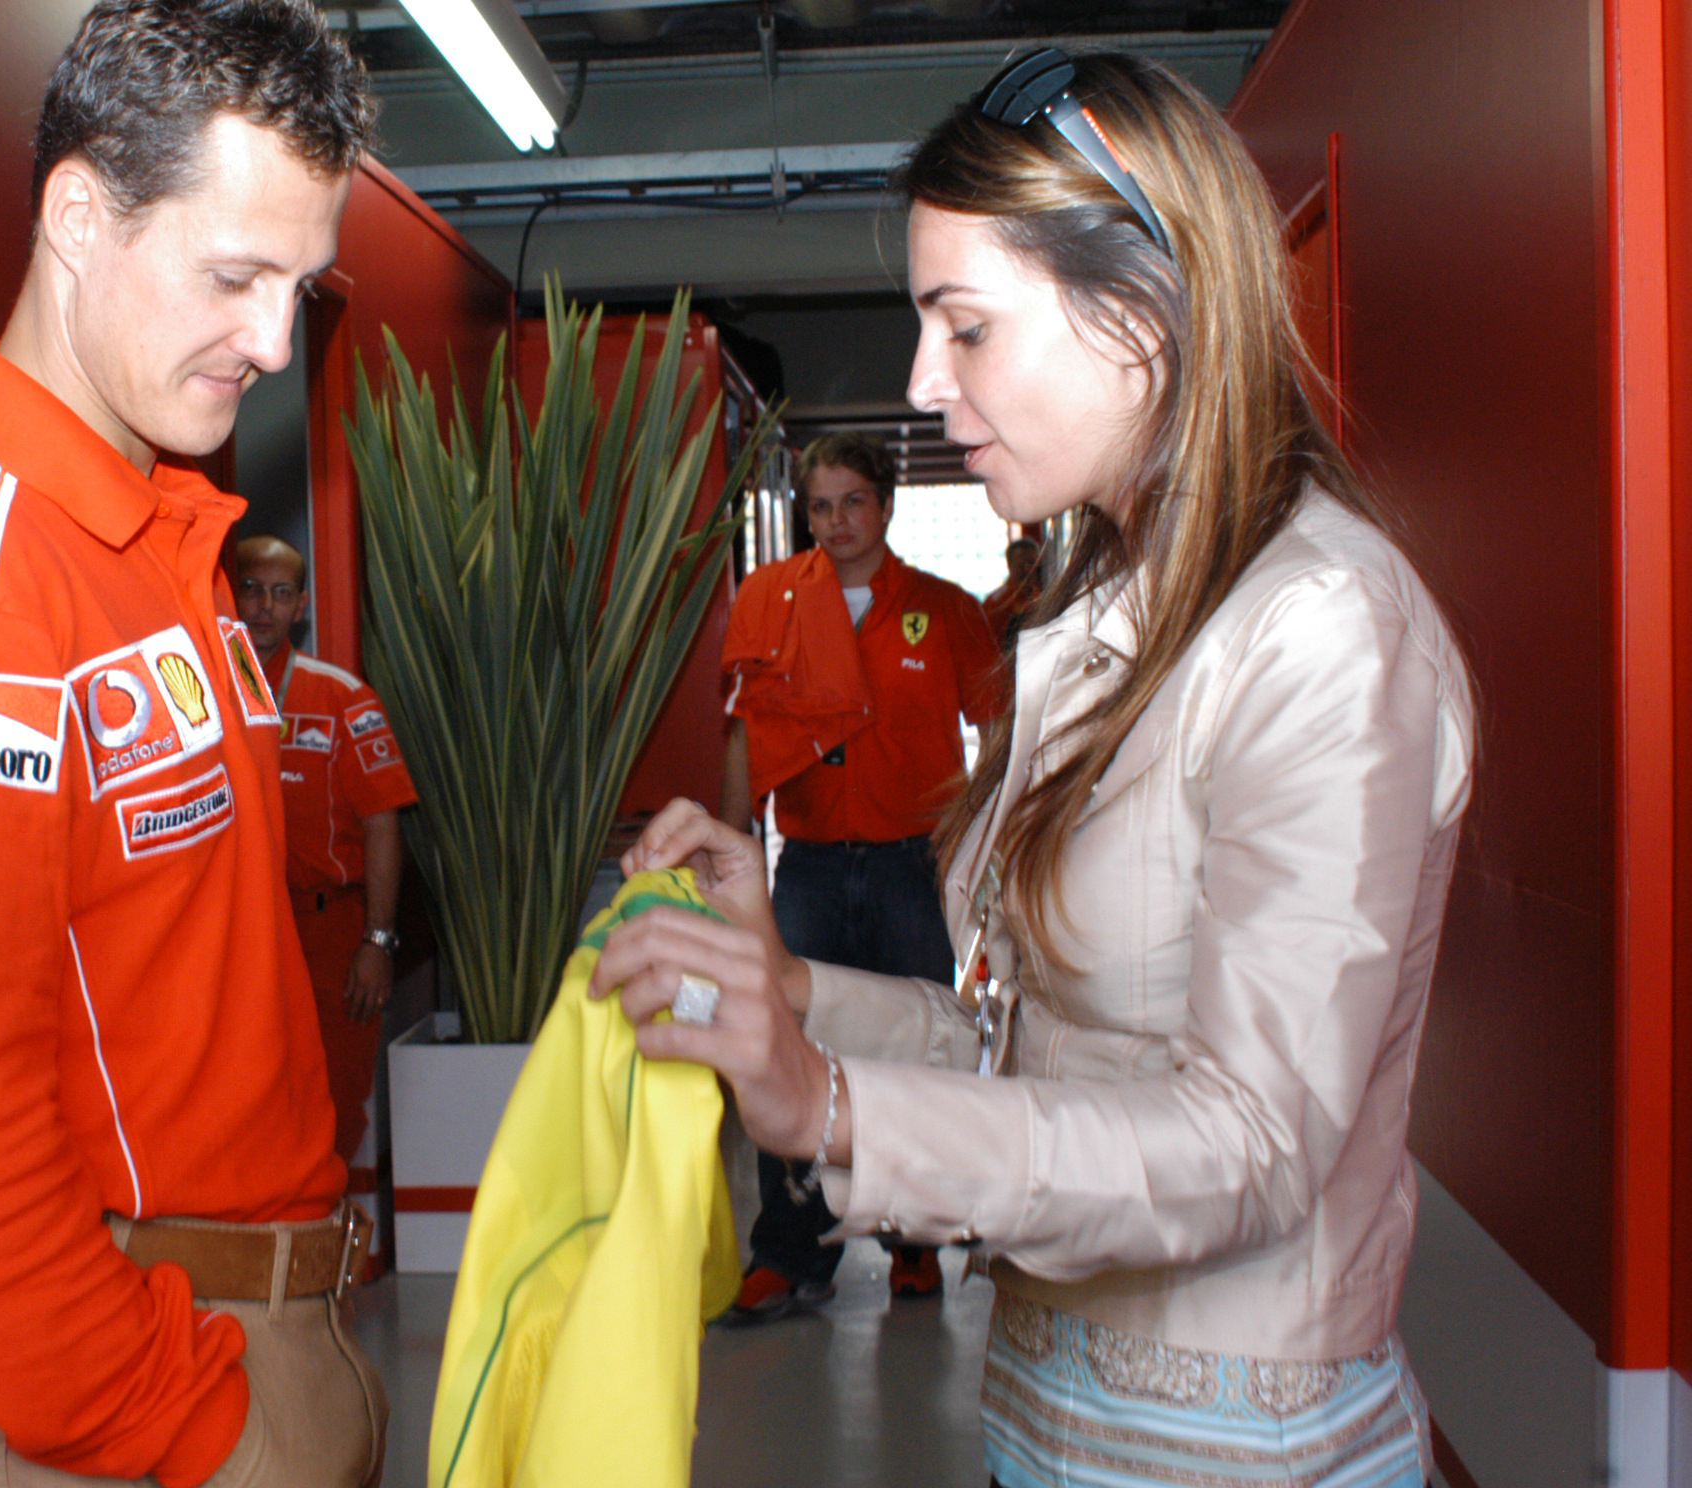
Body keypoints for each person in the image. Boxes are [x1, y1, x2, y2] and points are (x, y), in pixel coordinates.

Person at [593, 48, 1469, 1488]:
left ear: (1138, 321)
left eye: (967, 328)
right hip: (1045, 1429)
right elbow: (1029, 1056)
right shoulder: (1100, 613)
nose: (926, 383)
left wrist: (826, 1106)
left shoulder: (1323, 631)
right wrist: (791, 992)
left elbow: (1246, 1144)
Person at [0, 4, 389, 1486]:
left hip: (260, 1342)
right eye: (235, 275)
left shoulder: (156, 549)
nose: (275, 340)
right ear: (76, 213)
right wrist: (202, 1432)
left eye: (303, 285)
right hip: (122, 1418)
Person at [716, 430, 1006, 1320]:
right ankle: (789, 1253)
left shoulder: (944, 609)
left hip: (909, 868)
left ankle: (913, 1243)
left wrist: (984, 846)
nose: (836, 521)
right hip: (805, 865)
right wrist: (732, 839)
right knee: (787, 1053)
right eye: (820, 506)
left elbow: (998, 734)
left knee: (915, 1051)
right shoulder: (769, 601)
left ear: (885, 506)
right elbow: (742, 734)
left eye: (853, 502)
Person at [232, 534, 417, 1220]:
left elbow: (382, 826)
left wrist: (377, 939)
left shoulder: (339, 697)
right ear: (232, 594)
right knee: (247, 1094)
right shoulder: (204, 689)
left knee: (336, 1097)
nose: (264, 607)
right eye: (252, 588)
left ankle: (330, 1253)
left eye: (281, 593)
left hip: (327, 931)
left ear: (302, 604)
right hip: (238, 931)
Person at [981, 535, 1042, 647]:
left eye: (1032, 563)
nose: (1027, 569)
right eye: (1021, 565)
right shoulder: (997, 603)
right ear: (1009, 565)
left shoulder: (1044, 595)